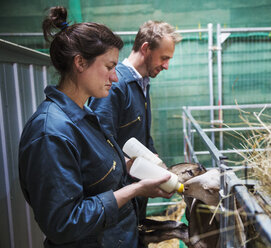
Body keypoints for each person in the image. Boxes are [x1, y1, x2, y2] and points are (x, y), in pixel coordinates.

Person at [18, 6, 172, 248]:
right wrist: (136, 190)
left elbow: (98, 170)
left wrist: (138, 167)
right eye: (109, 67)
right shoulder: (50, 133)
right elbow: (64, 223)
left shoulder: (85, 115)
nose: (115, 77)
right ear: (80, 62)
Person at [89, 21, 182, 225]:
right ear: (146, 48)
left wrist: (156, 162)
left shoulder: (142, 82)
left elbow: (140, 133)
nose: (166, 66)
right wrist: (135, 173)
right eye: (164, 58)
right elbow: (100, 143)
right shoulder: (114, 86)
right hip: (119, 194)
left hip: (137, 186)